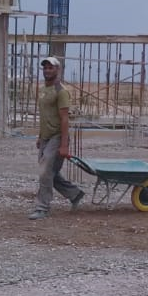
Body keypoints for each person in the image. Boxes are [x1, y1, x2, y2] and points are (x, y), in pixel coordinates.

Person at [31, 56, 85, 219]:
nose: (47, 70)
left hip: (57, 137)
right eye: (45, 68)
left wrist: (64, 145)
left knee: (44, 172)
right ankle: (74, 194)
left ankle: (42, 207)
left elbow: (64, 118)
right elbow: (44, 116)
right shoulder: (42, 90)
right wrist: (40, 136)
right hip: (46, 138)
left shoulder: (61, 92)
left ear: (58, 70)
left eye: (51, 68)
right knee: (50, 173)